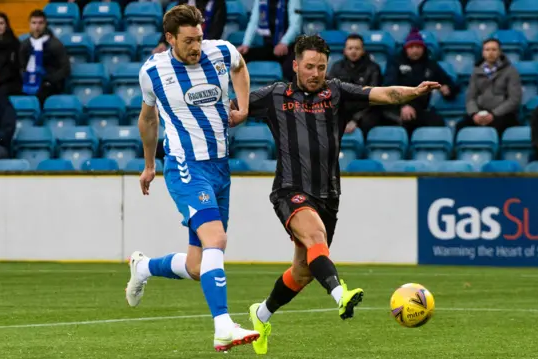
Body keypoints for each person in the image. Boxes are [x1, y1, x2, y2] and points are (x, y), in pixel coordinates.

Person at [229, 34, 440, 355]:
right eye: (310, 66)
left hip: (328, 195)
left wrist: (414, 91)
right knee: (315, 237)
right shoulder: (274, 95)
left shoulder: (337, 92)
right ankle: (340, 294)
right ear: (296, 65)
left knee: (302, 271)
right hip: (290, 190)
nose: (316, 73)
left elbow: (382, 94)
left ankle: (261, 314)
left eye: (322, 67)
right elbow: (234, 106)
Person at [124, 5, 259, 352]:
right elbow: (148, 119)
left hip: (219, 168)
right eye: (188, 41)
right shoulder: (153, 71)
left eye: (199, 37)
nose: (196, 46)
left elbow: (240, 67)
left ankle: (143, 268)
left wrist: (242, 107)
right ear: (170, 38)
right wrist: (150, 165)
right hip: (186, 167)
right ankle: (223, 326)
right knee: (217, 239)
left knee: (199, 266)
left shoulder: (221, 51)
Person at [383, 28, 458, 137]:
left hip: (420, 109)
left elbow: (448, 82)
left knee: (437, 122)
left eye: (418, 47)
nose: (415, 50)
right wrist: (402, 106)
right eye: (411, 47)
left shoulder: (430, 64)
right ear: (406, 49)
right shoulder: (395, 63)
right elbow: (389, 87)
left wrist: (448, 89)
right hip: (395, 108)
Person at [456, 38, 521, 137]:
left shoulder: (511, 71)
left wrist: (494, 114)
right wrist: (474, 114)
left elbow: (514, 99)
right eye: (487, 50)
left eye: (494, 50)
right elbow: (470, 98)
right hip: (480, 113)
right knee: (461, 126)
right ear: (483, 52)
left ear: (499, 52)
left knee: (498, 128)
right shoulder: (476, 72)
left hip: (502, 114)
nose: (490, 53)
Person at [327, 33, 384, 136]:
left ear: (363, 50)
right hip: (343, 110)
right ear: (345, 51)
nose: (353, 51)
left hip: (366, 112)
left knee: (368, 122)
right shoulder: (336, 67)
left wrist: (355, 120)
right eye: (350, 48)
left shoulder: (373, 68)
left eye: (357, 48)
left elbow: (373, 98)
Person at [238, 0, 301, 81]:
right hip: (270, 46)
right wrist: (246, 44)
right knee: (241, 59)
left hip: (290, 47)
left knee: (291, 67)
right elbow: (253, 22)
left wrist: (284, 42)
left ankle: (291, 92)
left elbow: (295, 26)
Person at [19, 9, 71, 105]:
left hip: (49, 83)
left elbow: (66, 69)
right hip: (28, 81)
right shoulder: (25, 45)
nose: (37, 26)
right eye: (34, 23)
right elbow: (20, 65)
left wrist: (48, 78)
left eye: (40, 23)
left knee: (39, 96)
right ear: (29, 24)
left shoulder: (55, 44)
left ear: (45, 24)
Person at [153, 0, 227, 54]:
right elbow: (172, 22)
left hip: (208, 47)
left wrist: (200, 47)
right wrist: (162, 42)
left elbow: (217, 31)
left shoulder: (219, 3)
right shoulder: (183, 2)